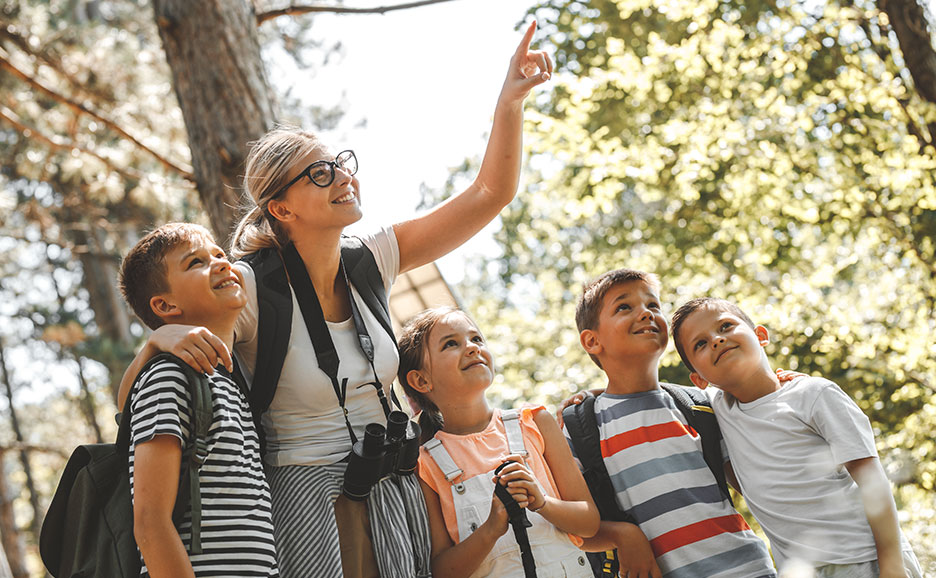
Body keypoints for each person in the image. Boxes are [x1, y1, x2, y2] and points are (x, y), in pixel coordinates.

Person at [117, 21, 553, 578]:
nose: (342, 177)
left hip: (396, 489)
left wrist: (510, 101)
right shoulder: (251, 285)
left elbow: (490, 194)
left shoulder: (371, 259)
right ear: (282, 208)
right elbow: (143, 394)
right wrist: (159, 339)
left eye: (342, 164)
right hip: (307, 500)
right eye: (319, 174)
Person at [670, 297, 923, 578]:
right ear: (699, 379)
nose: (716, 340)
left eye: (726, 326)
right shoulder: (716, 410)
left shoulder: (813, 395)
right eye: (700, 344)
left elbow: (871, 479)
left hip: (867, 559)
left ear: (760, 336)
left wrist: (892, 565)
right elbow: (648, 389)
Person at [564, 268, 777, 577]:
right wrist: (622, 536)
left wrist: (786, 386)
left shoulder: (703, 405)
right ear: (592, 341)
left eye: (653, 305)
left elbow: (757, 485)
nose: (646, 314)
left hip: (749, 569)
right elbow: (573, 524)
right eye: (625, 307)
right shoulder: (578, 428)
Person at [117, 223, 278, 578]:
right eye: (196, 262)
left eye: (220, 255)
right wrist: (157, 342)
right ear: (165, 304)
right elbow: (149, 522)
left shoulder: (230, 382)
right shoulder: (169, 377)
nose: (221, 263)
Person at [397, 306, 600, 577]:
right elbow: (442, 570)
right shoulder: (426, 465)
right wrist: (491, 528)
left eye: (476, 339)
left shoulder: (537, 422)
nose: (471, 348)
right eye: (451, 344)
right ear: (421, 380)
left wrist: (543, 503)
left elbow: (589, 522)